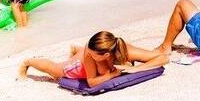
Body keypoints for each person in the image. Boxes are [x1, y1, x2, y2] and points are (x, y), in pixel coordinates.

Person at [18, 31, 168, 85]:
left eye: (90, 50)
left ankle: (76, 49)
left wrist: (135, 69)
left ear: (107, 55)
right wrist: (111, 75)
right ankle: (27, 62)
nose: (89, 51)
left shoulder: (123, 49)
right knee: (57, 71)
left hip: (96, 58)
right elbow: (91, 82)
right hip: (80, 67)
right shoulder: (90, 55)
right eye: (87, 48)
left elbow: (163, 58)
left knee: (86, 52)